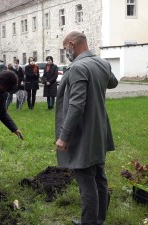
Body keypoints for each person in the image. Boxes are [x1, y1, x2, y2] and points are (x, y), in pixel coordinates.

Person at [55, 31, 118, 225]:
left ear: (72, 45)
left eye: (66, 48)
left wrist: (64, 136)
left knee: (86, 180)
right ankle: (99, 219)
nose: (66, 52)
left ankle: (89, 222)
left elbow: (76, 105)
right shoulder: (102, 63)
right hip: (99, 129)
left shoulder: (78, 67)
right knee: (99, 176)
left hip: (83, 133)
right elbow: (113, 83)